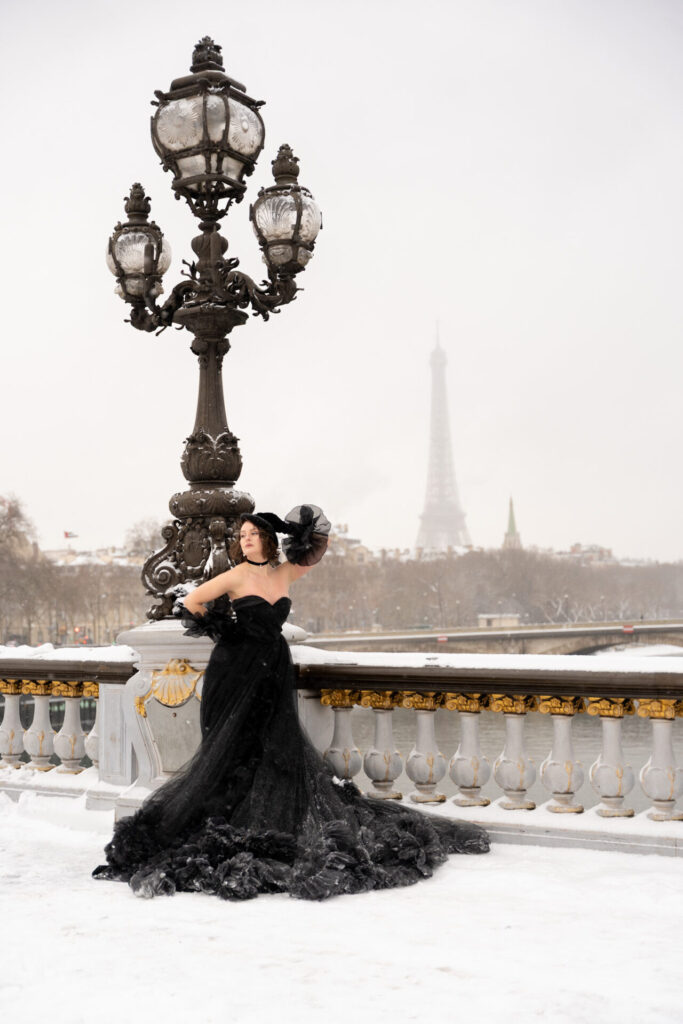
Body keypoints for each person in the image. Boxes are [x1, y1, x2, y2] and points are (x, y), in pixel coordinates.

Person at [94, 504, 489, 900]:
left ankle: (266, 814)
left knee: (273, 742)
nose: (245, 540)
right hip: (234, 669)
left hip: (273, 668)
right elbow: (192, 602)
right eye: (242, 535)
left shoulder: (285, 572)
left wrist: (294, 530)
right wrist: (226, 630)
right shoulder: (235, 574)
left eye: (252, 534)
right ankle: (231, 817)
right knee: (232, 747)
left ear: (267, 539)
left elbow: (318, 545)